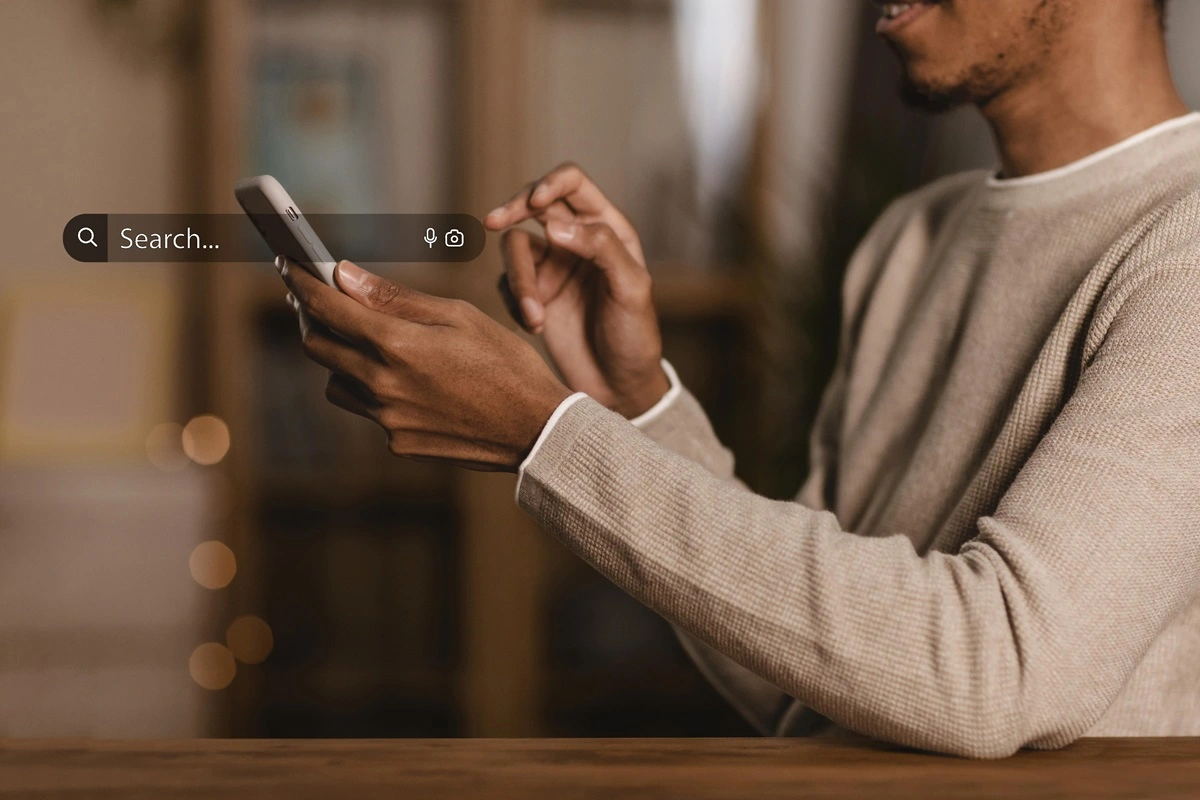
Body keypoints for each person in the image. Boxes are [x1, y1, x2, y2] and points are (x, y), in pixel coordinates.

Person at [279, 0, 1200, 757]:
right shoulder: (911, 240)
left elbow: (996, 670)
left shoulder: (1183, 243)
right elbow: (808, 672)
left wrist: (548, 435)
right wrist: (634, 405)